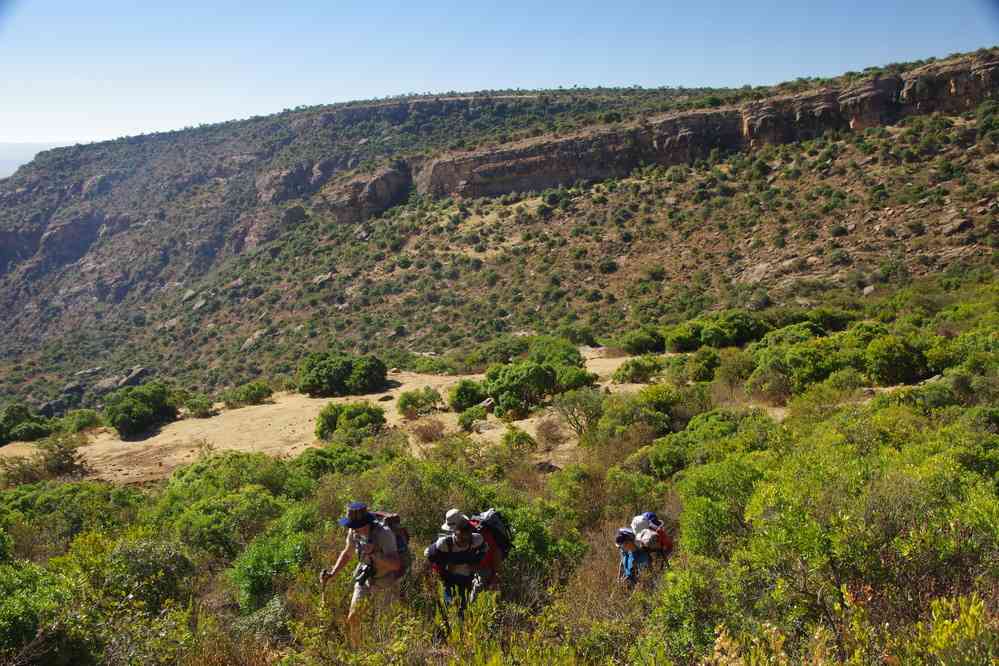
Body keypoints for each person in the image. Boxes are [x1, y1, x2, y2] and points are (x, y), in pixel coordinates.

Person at [320, 501, 401, 642]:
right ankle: (358, 653)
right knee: (353, 617)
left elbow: (396, 565)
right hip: (365, 577)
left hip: (386, 580)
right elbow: (347, 553)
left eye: (356, 526)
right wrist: (333, 572)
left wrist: (375, 554)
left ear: (366, 522)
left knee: (386, 624)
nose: (353, 529)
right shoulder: (353, 532)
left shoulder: (384, 534)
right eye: (351, 526)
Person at [425, 508, 489, 617]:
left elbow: (484, 549)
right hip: (448, 580)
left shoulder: (477, 540)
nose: (464, 542)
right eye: (461, 539)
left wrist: (476, 564)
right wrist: (445, 566)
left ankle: (459, 629)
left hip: (466, 580)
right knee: (448, 608)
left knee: (462, 609)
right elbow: (429, 554)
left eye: (466, 539)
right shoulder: (444, 543)